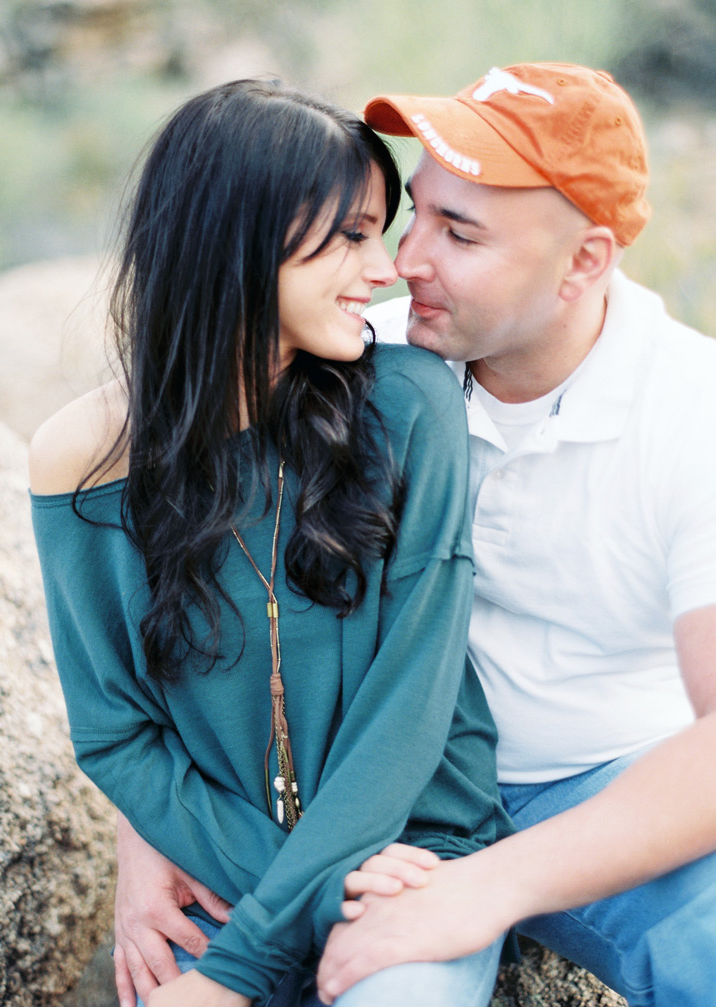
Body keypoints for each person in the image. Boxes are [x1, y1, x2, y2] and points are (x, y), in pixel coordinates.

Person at [111, 63, 716, 1007]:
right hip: (371, 793)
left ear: (586, 261)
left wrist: (490, 886)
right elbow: (181, 595)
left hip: (607, 789)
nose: (403, 261)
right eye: (415, 215)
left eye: (459, 232)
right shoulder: (350, 352)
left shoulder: (692, 413)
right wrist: (144, 835)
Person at [28, 79, 513, 1007]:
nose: (385, 271)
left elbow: (409, 710)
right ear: (238, 239)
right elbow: (118, 734)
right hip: (236, 871)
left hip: (413, 864)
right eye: (353, 235)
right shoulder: (82, 461)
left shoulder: (409, 405)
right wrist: (295, 897)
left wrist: (241, 969)